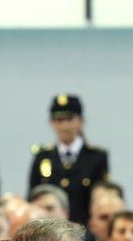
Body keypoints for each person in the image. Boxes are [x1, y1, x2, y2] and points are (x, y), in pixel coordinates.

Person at [28, 94, 109, 226]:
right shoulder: (42, 156)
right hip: (50, 228)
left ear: (81, 121)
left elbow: (99, 200)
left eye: (69, 119)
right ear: (51, 122)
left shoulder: (96, 157)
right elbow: (33, 197)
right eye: (59, 120)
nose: (64, 126)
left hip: (84, 228)